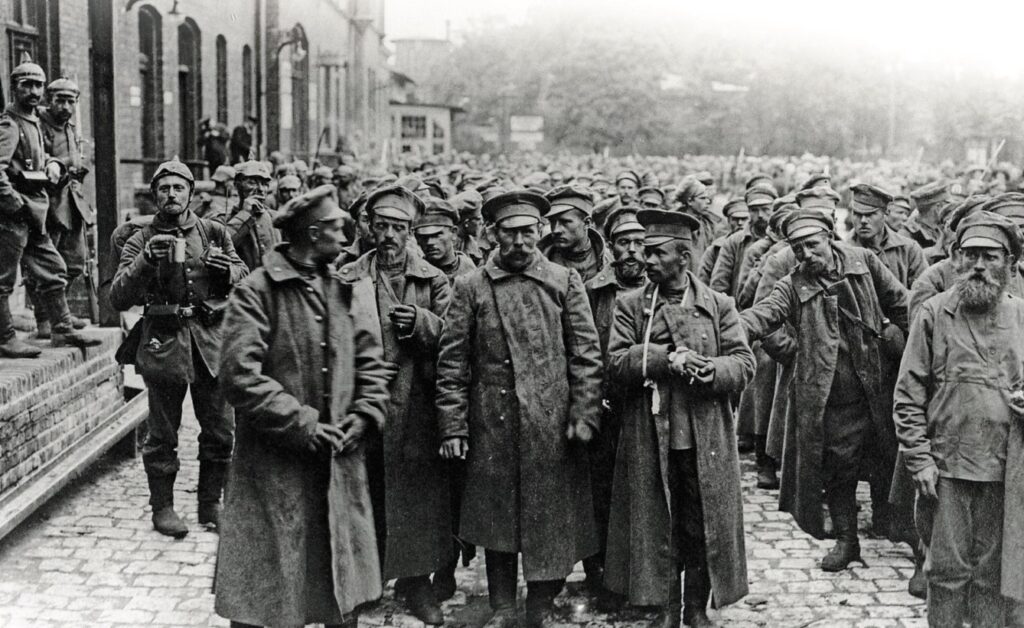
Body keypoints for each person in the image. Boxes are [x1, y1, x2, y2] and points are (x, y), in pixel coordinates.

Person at [215, 185, 391, 628]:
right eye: (336, 228)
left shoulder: (340, 286)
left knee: (338, 593)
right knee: (269, 598)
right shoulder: (257, 291)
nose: (345, 236)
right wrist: (303, 423)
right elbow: (239, 375)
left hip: (336, 467)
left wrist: (366, 413)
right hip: (275, 469)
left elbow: (370, 359)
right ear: (312, 234)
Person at [436, 190, 603, 628]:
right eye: (509, 233)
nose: (520, 242)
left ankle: (542, 601)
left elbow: (585, 356)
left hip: (549, 420)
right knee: (498, 519)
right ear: (492, 234)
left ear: (540, 232)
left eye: (528, 232)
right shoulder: (471, 286)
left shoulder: (565, 281)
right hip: (493, 421)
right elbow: (452, 362)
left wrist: (584, 414)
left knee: (551, 516)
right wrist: (453, 426)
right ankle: (503, 605)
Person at [604, 209, 752, 628]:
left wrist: (714, 371)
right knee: (659, 523)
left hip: (705, 435)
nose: (645, 261)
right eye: (645, 253)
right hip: (653, 433)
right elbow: (614, 364)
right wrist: (663, 360)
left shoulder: (718, 304)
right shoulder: (632, 306)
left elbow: (744, 361)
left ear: (682, 258)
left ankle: (695, 609)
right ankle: (666, 608)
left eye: (655, 253)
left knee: (701, 523)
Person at [740, 209, 908, 571]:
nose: (806, 255)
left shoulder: (864, 262)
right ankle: (848, 541)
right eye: (797, 249)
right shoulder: (792, 283)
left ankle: (904, 534)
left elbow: (902, 304)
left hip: (877, 386)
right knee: (839, 469)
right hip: (833, 397)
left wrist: (912, 350)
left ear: (829, 237)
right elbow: (763, 315)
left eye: (812, 245)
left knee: (890, 456)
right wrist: (729, 329)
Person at [894, 211, 1024, 628]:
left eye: (990, 256)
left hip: (1007, 470)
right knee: (946, 574)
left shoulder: (1021, 316)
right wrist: (920, 460)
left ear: (1010, 262)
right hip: (947, 470)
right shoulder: (933, 314)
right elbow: (908, 394)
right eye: (969, 255)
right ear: (955, 258)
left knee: (992, 575)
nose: (979, 266)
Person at [110, 160, 248, 537]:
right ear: (155, 195)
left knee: (220, 430)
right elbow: (118, 297)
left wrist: (227, 271)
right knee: (162, 434)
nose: (171, 194)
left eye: (178, 188)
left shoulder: (214, 232)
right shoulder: (139, 238)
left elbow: (245, 276)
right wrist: (144, 262)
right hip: (163, 341)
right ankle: (164, 508)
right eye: (164, 188)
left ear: (190, 193)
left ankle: (210, 504)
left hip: (209, 341)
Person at [339, 185, 454, 626]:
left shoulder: (432, 279)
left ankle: (415, 583)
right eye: (382, 226)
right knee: (364, 491)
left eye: (399, 228)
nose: (389, 235)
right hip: (362, 404)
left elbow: (455, 338)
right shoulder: (349, 275)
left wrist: (422, 323)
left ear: (411, 231)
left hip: (416, 405)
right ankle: (366, 582)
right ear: (368, 226)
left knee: (416, 496)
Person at [0, 59, 99, 357]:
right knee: (4, 279)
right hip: (14, 216)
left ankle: (62, 329)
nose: (33, 91)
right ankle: (5, 338)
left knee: (55, 269)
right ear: (14, 88)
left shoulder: (31, 121)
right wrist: (14, 203)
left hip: (34, 213)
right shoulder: (10, 123)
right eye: (26, 85)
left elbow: (37, 162)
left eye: (38, 85)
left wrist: (52, 167)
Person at [582, 207, 646, 604]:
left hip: (642, 404)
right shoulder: (593, 291)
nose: (633, 252)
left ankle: (640, 573)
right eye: (624, 243)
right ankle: (601, 573)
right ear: (611, 247)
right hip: (604, 405)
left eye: (640, 243)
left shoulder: (659, 288)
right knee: (601, 490)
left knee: (641, 491)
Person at [28, 76, 95, 336]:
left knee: (75, 261)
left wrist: (79, 162)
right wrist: (66, 162)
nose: (66, 107)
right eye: (61, 101)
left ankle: (61, 310)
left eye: (71, 101)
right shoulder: (39, 123)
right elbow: (40, 158)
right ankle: (44, 318)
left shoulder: (70, 127)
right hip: (48, 202)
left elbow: (77, 158)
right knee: (46, 265)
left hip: (71, 201)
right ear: (49, 100)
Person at [847, 183, 927, 288]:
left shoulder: (908, 250)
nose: (863, 221)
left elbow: (922, 293)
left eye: (870, 214)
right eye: (857, 214)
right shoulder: (843, 250)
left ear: (886, 213)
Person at [709, 185, 774, 297]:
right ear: (748, 211)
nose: (760, 215)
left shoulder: (782, 240)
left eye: (765, 209)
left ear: (773, 209)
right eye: (754, 210)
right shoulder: (734, 241)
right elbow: (719, 282)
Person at [541, 184, 608, 283]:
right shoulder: (541, 261)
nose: (555, 230)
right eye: (552, 222)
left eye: (565, 222)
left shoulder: (608, 262)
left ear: (587, 223)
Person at [225, 160, 280, 270]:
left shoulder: (276, 218)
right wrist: (244, 214)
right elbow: (221, 246)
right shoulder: (222, 218)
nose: (260, 189)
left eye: (265, 184)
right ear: (237, 185)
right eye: (252, 183)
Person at [414, 197, 476, 281]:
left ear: (453, 233)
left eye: (437, 235)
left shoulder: (470, 271)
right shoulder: (415, 273)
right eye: (423, 236)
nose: (429, 242)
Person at [900, 181, 948, 251]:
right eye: (946, 205)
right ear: (938, 207)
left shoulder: (941, 229)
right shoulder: (906, 234)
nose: (948, 210)